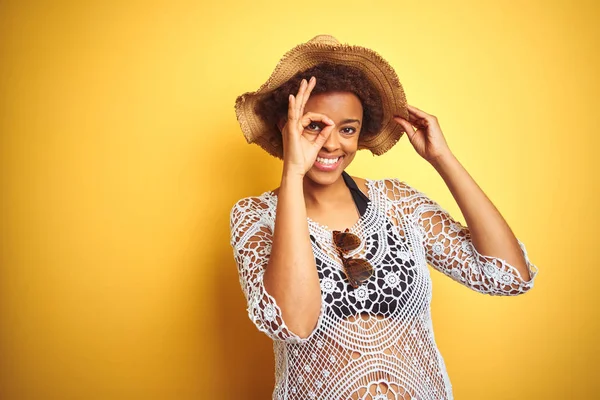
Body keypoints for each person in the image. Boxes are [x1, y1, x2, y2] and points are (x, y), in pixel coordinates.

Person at [229, 34, 538, 400]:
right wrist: (293, 174)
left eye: (347, 129)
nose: (331, 144)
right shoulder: (254, 217)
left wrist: (443, 159)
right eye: (314, 125)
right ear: (286, 126)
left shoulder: (395, 202)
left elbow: (507, 277)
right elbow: (293, 325)